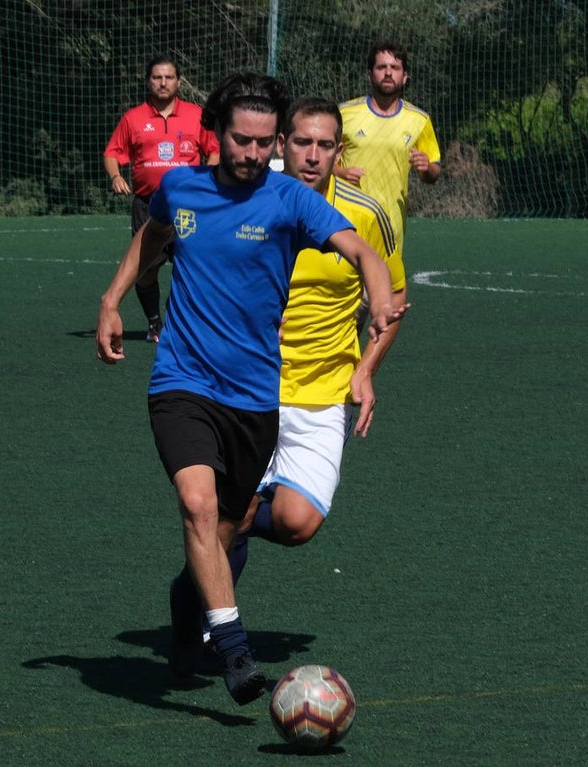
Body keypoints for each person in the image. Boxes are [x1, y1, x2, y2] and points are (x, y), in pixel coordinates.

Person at [95, 73, 407, 706]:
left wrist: (377, 295)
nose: (254, 154)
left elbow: (360, 250)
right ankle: (234, 653)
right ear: (216, 133)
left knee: (230, 526)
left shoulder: (291, 200)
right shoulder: (180, 187)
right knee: (200, 506)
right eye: (243, 141)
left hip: (255, 397)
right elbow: (152, 236)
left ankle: (190, 608)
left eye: (265, 143)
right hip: (182, 381)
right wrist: (111, 298)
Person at [223, 98, 407, 597]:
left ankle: (220, 536)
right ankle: (205, 624)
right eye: (302, 142)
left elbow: (395, 296)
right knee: (235, 514)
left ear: (338, 150)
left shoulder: (366, 214)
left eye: (325, 145)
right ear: (282, 144)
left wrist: (366, 368)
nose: (312, 155)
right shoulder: (249, 204)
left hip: (324, 391)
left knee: (297, 523)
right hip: (252, 385)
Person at [103, 55, 219, 341]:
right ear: (148, 81)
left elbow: (214, 150)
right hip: (147, 205)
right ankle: (155, 322)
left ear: (178, 81)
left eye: (168, 77)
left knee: (192, 267)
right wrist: (116, 176)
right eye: (157, 77)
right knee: (144, 270)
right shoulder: (133, 118)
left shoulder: (197, 115)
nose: (163, 82)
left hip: (190, 207)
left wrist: (210, 181)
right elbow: (112, 154)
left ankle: (180, 321)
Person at [336, 39, 441, 281]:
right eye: (381, 67)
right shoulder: (344, 114)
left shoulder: (419, 120)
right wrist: (338, 173)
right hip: (346, 222)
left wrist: (427, 169)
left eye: (395, 68)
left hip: (391, 227)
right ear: (370, 74)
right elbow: (321, 160)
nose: (388, 73)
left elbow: (434, 171)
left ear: (405, 77)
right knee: (346, 302)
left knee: (387, 302)